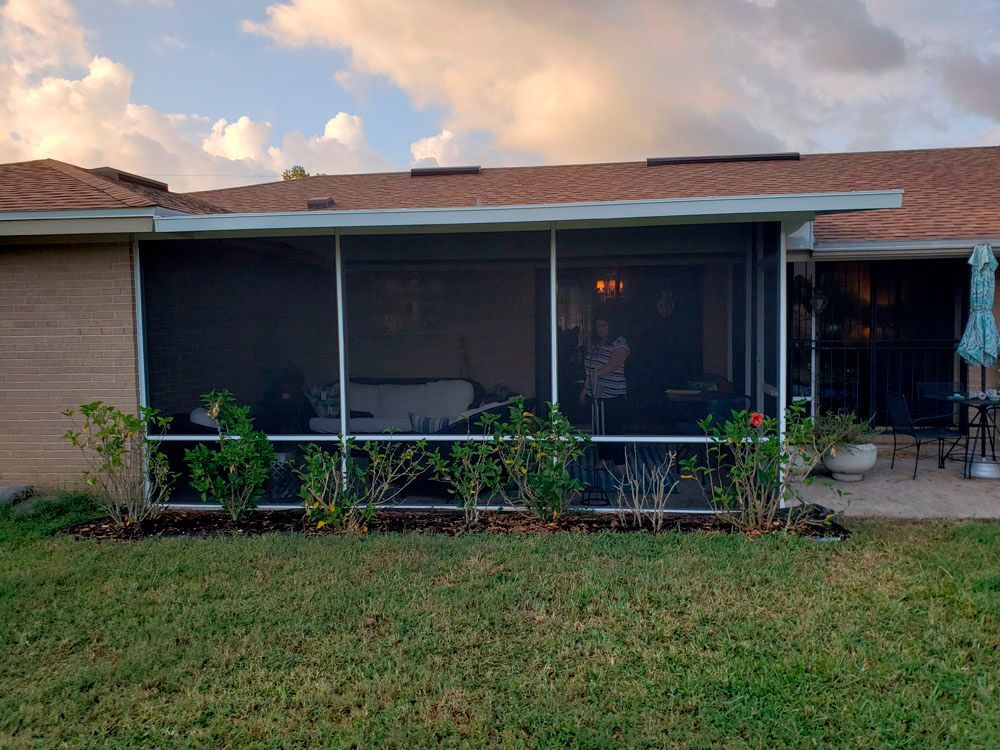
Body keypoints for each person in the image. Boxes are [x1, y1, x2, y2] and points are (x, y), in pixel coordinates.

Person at [580, 316, 630, 472]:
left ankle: (620, 463)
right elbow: (589, 369)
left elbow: (614, 364)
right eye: (597, 326)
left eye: (603, 325)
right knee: (598, 428)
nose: (600, 329)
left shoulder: (619, 342)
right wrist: (585, 389)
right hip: (595, 393)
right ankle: (604, 459)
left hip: (613, 394)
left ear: (611, 325)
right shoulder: (595, 345)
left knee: (614, 428)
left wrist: (596, 375)